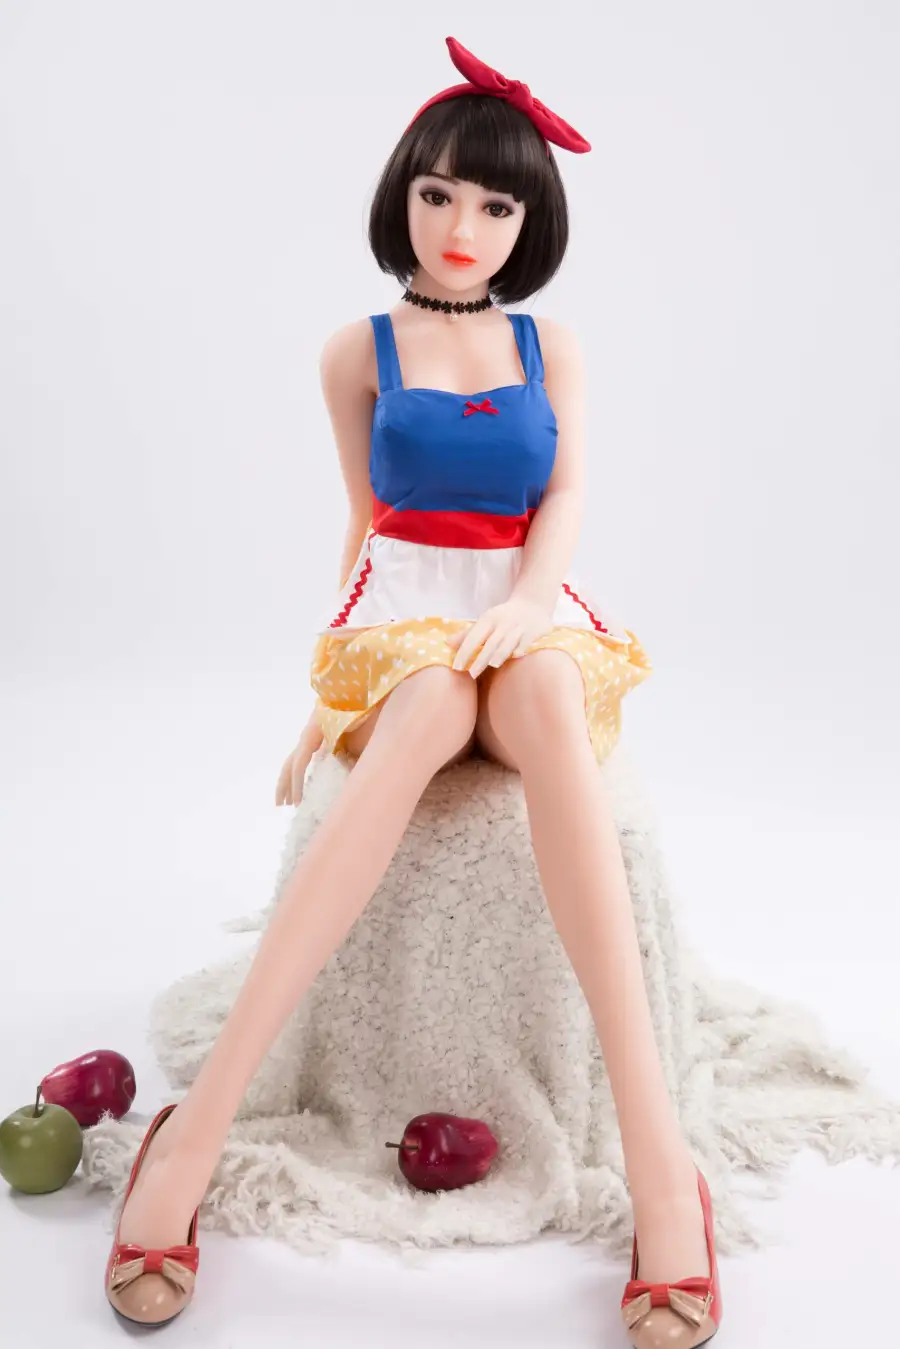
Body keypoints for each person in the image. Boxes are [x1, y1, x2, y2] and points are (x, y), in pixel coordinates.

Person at [104, 37, 722, 1348]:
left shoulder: (550, 346)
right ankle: (194, 1133)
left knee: (540, 699)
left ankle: (658, 1161)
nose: (461, 227)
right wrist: (323, 700)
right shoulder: (357, 350)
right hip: (405, 615)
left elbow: (564, 497)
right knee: (431, 707)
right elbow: (364, 520)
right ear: (403, 192)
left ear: (530, 222)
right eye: (439, 193)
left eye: (496, 204)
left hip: (521, 610)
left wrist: (530, 608)